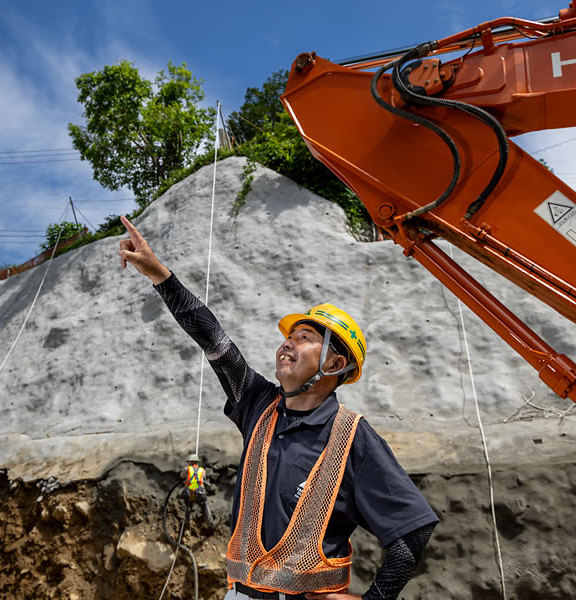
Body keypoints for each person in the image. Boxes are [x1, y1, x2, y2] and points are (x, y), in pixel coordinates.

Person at [117, 216, 438, 600]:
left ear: (335, 365)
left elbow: (413, 530)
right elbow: (212, 339)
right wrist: (159, 274)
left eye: (305, 338)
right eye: (288, 336)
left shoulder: (352, 437)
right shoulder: (257, 405)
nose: (288, 343)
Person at [181, 453, 214, 524]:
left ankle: (187, 522)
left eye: (188, 462)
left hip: (190, 493)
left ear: (191, 462)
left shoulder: (187, 469)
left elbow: (181, 476)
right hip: (200, 493)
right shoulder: (202, 470)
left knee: (188, 506)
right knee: (205, 506)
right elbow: (204, 478)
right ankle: (210, 522)